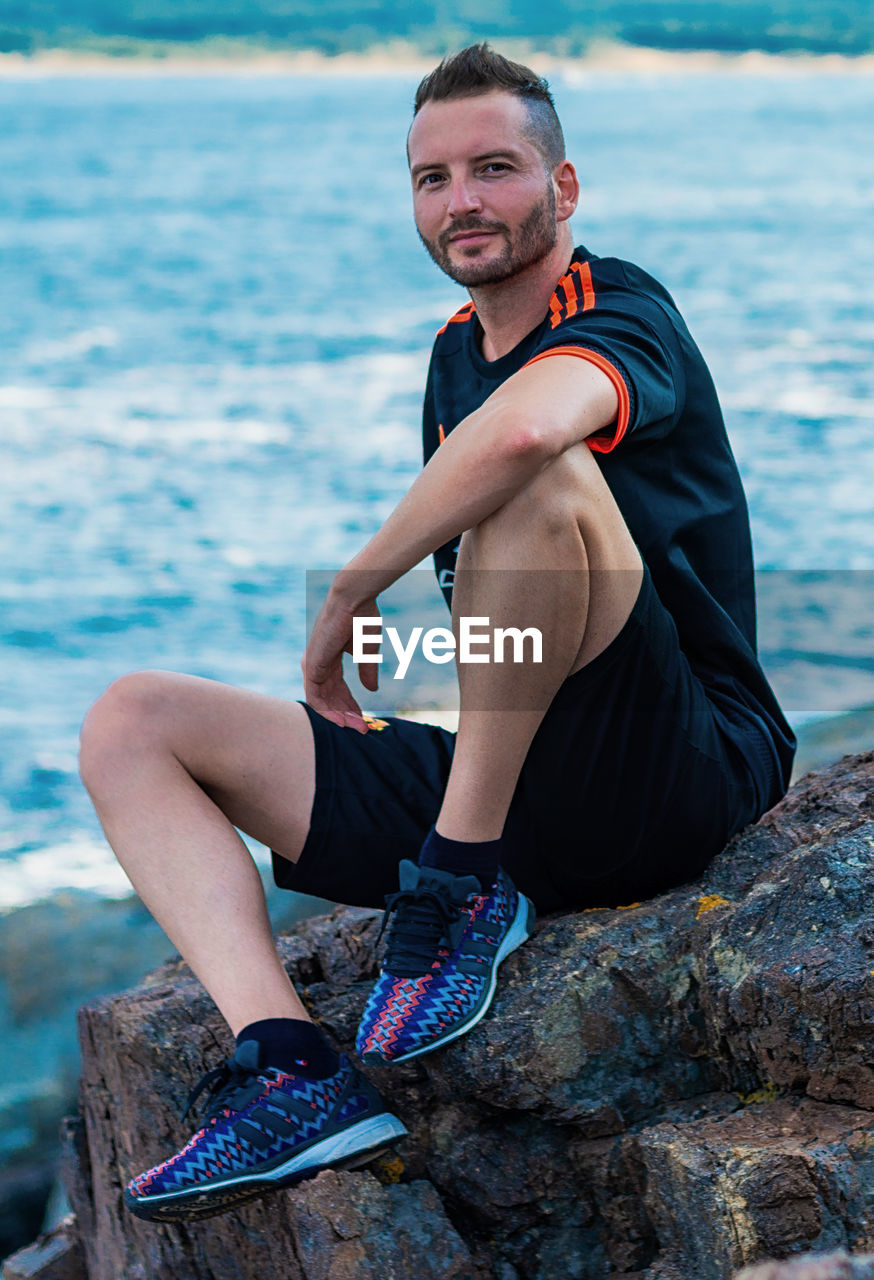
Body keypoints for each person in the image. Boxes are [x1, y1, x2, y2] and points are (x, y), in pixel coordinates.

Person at [79, 44, 795, 1223]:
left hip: (679, 765)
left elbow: (524, 442)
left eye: (494, 168)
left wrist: (346, 597)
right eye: (432, 176)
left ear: (561, 191)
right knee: (134, 719)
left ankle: (458, 883)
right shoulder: (451, 354)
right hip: (521, 781)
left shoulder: (621, 309)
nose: (460, 199)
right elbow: (495, 613)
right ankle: (294, 1070)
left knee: (534, 468)